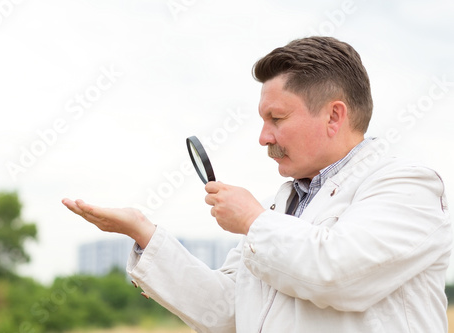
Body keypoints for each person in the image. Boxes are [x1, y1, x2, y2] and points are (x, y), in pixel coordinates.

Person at [62, 36, 452, 332]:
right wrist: (144, 233)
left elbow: (340, 274)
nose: (263, 137)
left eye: (276, 118)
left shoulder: (408, 186)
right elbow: (227, 310)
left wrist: (251, 220)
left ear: (334, 115)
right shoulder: (278, 208)